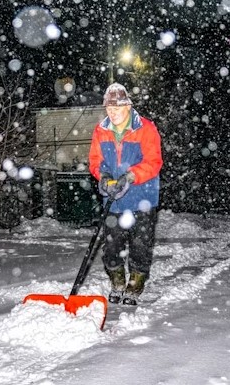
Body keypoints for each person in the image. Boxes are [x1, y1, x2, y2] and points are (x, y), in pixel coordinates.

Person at [89, 82, 163, 306]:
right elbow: (95, 161)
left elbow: (154, 162)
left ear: (128, 106)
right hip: (113, 200)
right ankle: (117, 280)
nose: (112, 113)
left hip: (142, 198)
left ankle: (136, 282)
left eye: (117, 108)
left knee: (140, 243)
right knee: (111, 245)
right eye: (109, 109)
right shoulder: (101, 131)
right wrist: (102, 176)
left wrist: (130, 177)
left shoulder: (146, 129)